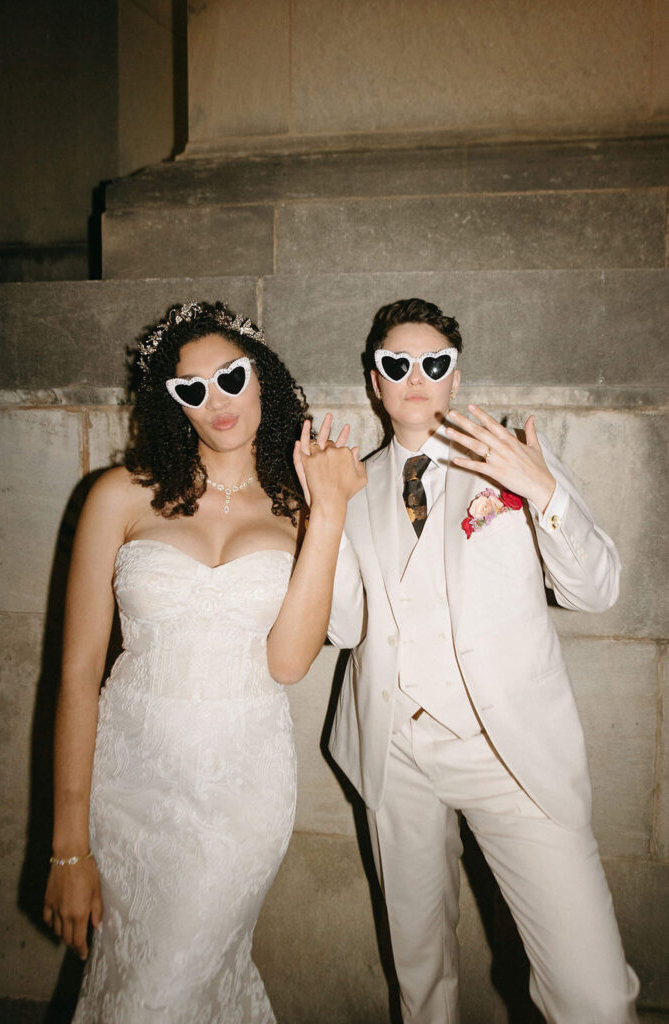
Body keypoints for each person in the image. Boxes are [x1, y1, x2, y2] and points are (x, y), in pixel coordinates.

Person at [43, 300, 365, 1022]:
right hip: (127, 787)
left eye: (231, 377)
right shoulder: (118, 496)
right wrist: (68, 847)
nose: (216, 401)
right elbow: (76, 676)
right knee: (136, 982)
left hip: (240, 796)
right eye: (191, 388)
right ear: (173, 402)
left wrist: (330, 513)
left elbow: (289, 664)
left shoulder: (297, 510)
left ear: (263, 378)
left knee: (157, 993)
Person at [326, 298, 639, 1023]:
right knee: (420, 976)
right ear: (375, 381)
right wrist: (325, 511)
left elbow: (595, 591)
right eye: (396, 363)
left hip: (511, 755)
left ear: (456, 378)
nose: (416, 376)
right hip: (395, 751)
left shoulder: (512, 459)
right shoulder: (355, 486)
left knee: (591, 995)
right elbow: (342, 628)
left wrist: (542, 489)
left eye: (433, 362)